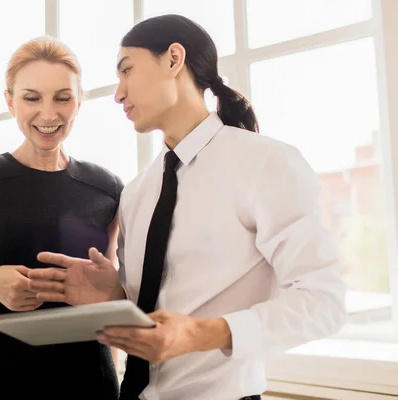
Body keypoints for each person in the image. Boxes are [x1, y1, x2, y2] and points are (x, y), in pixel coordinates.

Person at [28, 14, 347, 400]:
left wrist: (200, 334)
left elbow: (324, 302)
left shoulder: (266, 163)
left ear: (174, 59)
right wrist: (114, 296)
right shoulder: (137, 192)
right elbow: (154, 318)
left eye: (127, 70)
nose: (118, 94)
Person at [0, 37, 124, 400]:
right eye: (32, 98)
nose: (48, 114)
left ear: (79, 102)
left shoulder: (106, 188)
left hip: (88, 380)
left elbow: (112, 299)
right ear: (10, 101)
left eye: (63, 98)